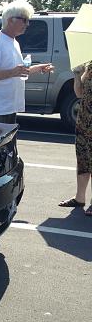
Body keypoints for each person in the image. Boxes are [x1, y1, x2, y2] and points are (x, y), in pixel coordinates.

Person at [0, 1, 54, 124]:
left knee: (9, 144)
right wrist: (13, 72)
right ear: (11, 19)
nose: (27, 24)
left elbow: (19, 71)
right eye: (24, 20)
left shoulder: (14, 42)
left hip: (9, 108)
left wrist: (39, 68)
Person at [58, 63, 92, 216]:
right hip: (85, 122)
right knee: (83, 160)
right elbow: (79, 94)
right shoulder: (89, 65)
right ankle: (79, 198)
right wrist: (78, 74)